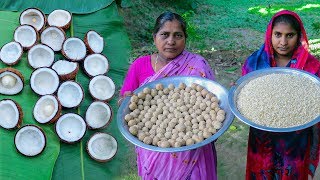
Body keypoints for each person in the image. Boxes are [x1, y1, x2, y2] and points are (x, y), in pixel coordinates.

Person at [119, 11, 217, 179]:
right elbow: (124, 102)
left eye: (177, 35)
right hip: (153, 149)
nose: (171, 41)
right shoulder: (139, 65)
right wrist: (125, 100)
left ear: (185, 38)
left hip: (193, 153)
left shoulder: (197, 65)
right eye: (164, 35)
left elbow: (214, 105)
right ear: (154, 37)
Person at [242, 10, 320, 180]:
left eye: (290, 35)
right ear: (270, 34)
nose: (283, 42)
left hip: (295, 144)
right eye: (277, 34)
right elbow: (244, 94)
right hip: (261, 141)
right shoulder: (255, 63)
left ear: (298, 36)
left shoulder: (311, 68)